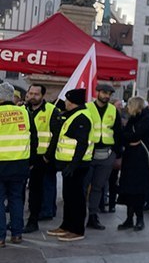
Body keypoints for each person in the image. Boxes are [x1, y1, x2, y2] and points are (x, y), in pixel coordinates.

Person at [48, 89, 93, 242]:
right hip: (69, 164)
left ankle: (77, 229)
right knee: (68, 197)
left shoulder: (82, 117)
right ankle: (66, 225)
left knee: (76, 198)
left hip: (77, 165)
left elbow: (82, 144)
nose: (65, 103)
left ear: (72, 101)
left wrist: (73, 165)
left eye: (67, 100)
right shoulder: (74, 115)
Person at [0, 82, 36, 247]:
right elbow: (34, 138)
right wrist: (31, 161)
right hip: (20, 163)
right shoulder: (24, 113)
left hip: (1, 164)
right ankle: (17, 234)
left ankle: (0, 238)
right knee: (16, 199)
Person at [84, 83, 122, 230]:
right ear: (97, 92)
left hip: (106, 153)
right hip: (88, 153)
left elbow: (118, 132)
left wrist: (116, 154)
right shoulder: (87, 108)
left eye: (109, 94)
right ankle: (80, 214)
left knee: (98, 187)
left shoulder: (113, 110)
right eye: (104, 93)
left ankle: (93, 216)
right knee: (83, 186)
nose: (107, 96)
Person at [22, 84, 58, 233]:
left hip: (42, 157)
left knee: (40, 188)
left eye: (36, 94)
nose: (32, 96)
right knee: (22, 190)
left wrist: (47, 157)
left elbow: (56, 136)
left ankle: (38, 216)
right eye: (30, 93)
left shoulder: (51, 110)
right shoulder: (22, 110)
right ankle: (24, 217)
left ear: (43, 95)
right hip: (24, 155)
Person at [116, 96, 149, 231]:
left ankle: (140, 219)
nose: (127, 108)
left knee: (138, 190)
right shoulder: (133, 118)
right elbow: (124, 136)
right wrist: (129, 139)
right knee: (127, 189)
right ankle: (129, 218)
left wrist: (130, 138)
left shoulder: (146, 118)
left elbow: (136, 136)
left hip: (140, 160)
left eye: (129, 105)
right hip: (130, 158)